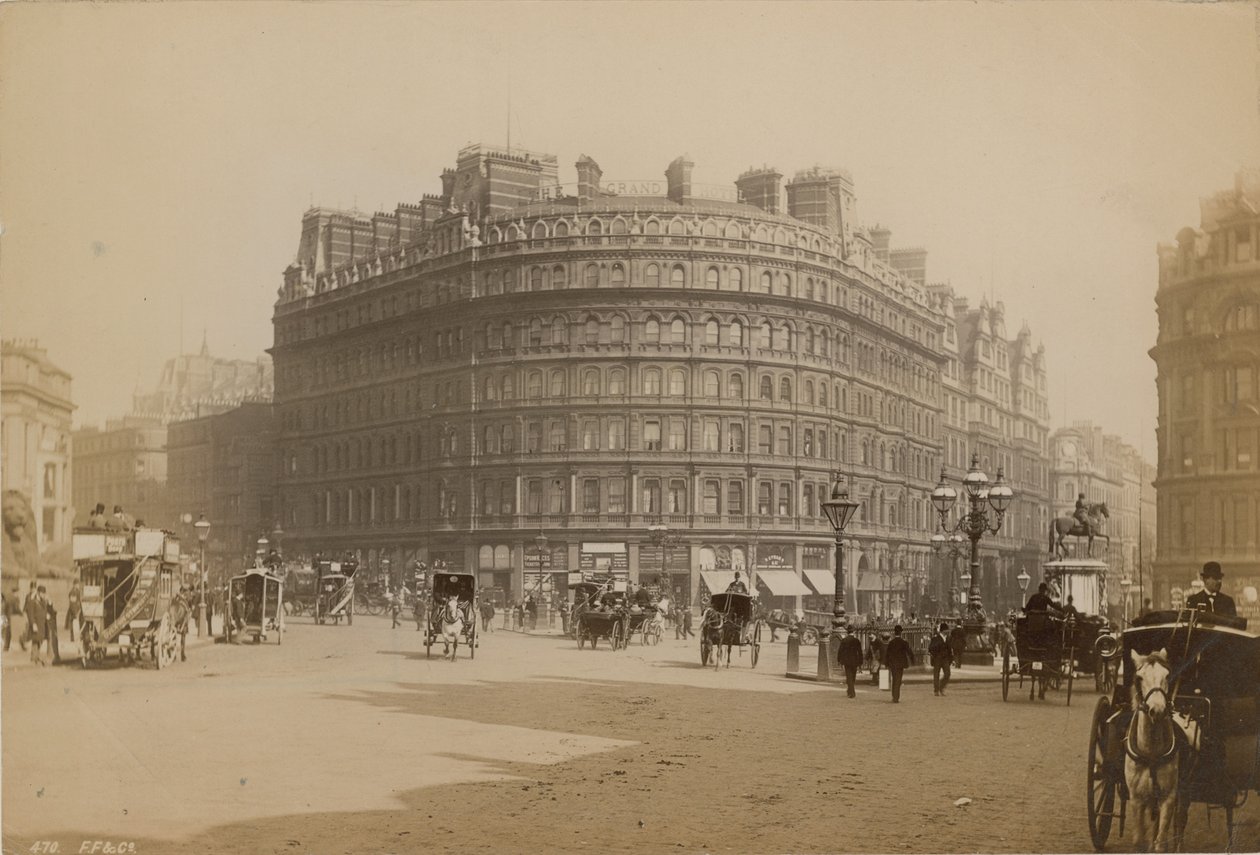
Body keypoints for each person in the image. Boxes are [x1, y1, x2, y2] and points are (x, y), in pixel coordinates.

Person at [883, 624, 914, 703]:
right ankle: (896, 697)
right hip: (900, 664)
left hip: (893, 664)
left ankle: (894, 696)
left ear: (894, 632)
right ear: (901, 633)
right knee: (898, 680)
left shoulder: (891, 642)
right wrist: (913, 660)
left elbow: (887, 654)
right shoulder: (904, 642)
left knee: (894, 679)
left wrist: (886, 663)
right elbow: (909, 652)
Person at [836, 625, 864, 698]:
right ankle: (851, 691)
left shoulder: (844, 640)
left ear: (847, 632)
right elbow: (860, 652)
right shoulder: (856, 641)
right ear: (854, 631)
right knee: (853, 676)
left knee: (849, 676)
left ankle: (850, 691)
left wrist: (839, 660)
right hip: (854, 661)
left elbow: (840, 651)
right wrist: (860, 662)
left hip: (847, 661)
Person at [25, 584, 47, 666]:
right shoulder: (32, 601)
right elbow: (30, 614)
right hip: (36, 624)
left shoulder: (43, 601)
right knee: (35, 640)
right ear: (38, 593)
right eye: (41, 593)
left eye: (44, 593)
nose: (43, 595)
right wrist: (33, 624)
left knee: (40, 641)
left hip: (42, 625)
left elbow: (44, 611)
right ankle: (34, 658)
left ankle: (36, 656)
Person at [928, 621, 952, 696]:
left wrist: (950, 658)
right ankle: (936, 690)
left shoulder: (948, 638)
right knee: (936, 675)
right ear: (943, 630)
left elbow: (949, 649)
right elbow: (931, 648)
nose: (948, 631)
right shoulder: (936, 638)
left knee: (947, 674)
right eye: (947, 630)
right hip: (937, 658)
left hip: (945, 659)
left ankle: (941, 687)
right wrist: (935, 655)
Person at [44, 592, 60, 664]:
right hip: (50, 625)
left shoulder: (48, 604)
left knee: (52, 639)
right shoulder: (46, 604)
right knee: (51, 639)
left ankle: (53, 656)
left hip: (51, 625)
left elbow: (52, 611)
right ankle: (53, 656)